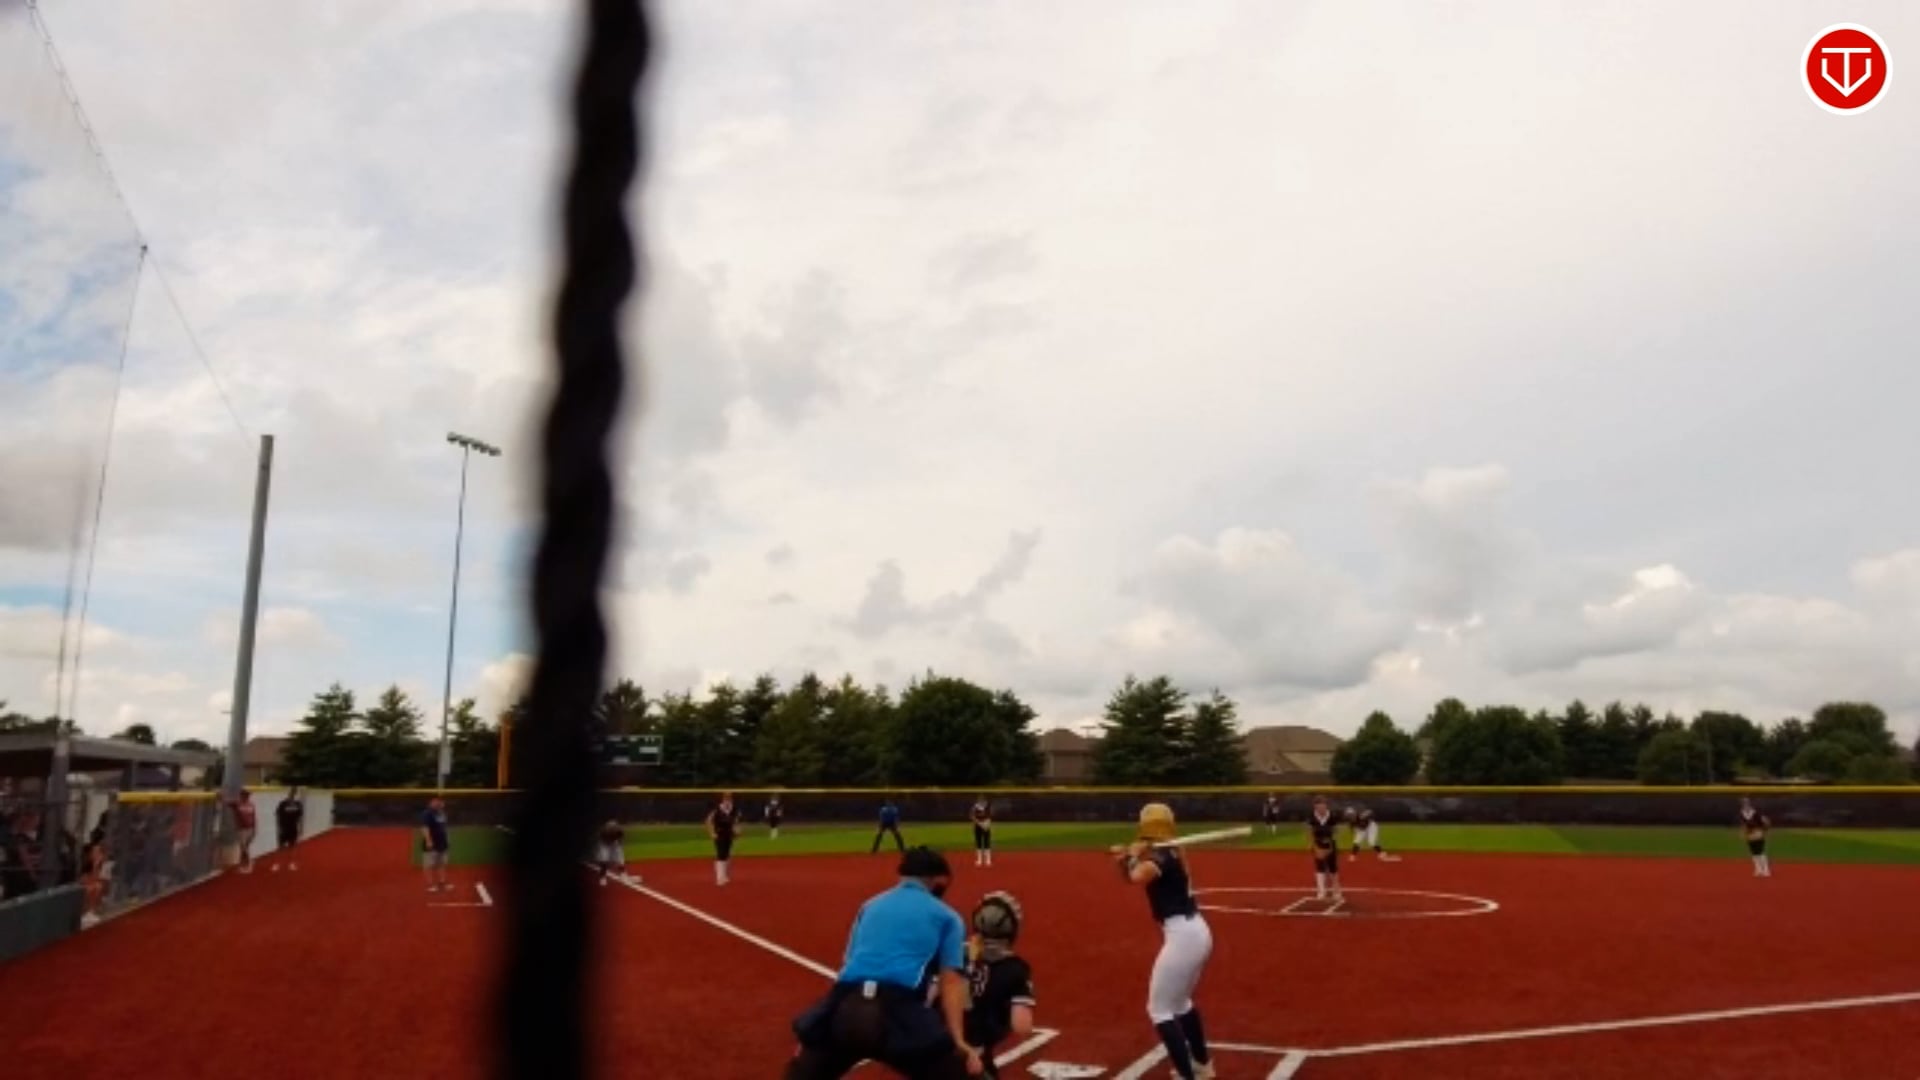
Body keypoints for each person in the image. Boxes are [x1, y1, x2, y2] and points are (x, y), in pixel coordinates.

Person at [783, 847, 980, 1079]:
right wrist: (958, 1040)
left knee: (801, 1075)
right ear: (939, 880)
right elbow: (951, 981)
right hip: (896, 1012)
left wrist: (816, 1032)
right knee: (958, 1073)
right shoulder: (947, 917)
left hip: (847, 1005)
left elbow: (848, 965)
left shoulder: (869, 905)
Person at [1110, 803, 1214, 1080]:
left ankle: (1187, 1074)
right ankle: (1202, 1065)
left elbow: (1137, 875)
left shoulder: (1163, 856)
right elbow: (1130, 875)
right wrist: (1126, 859)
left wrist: (1131, 856)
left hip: (1183, 936)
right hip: (1195, 931)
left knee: (1159, 1010)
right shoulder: (1172, 851)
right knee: (1180, 1004)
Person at [963, 891, 1035, 1079]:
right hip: (975, 1056)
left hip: (939, 1049)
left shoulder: (953, 953)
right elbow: (1022, 1025)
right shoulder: (1015, 969)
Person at [1308, 795, 1342, 902]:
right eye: (1319, 806)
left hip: (1330, 844)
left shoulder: (1332, 815)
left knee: (1333, 868)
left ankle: (1336, 890)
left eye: (1323, 806)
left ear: (1326, 806)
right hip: (1318, 844)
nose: (1321, 808)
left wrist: (1331, 844)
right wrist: (1314, 846)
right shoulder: (1312, 816)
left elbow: (1336, 830)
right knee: (1320, 867)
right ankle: (1321, 891)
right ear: (1315, 807)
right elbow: (1310, 831)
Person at [706, 791, 740, 886]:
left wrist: (737, 831)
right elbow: (708, 821)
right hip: (719, 834)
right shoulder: (717, 809)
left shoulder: (734, 809)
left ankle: (724, 875)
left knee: (727, 855)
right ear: (723, 799)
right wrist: (712, 833)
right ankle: (719, 877)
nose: (728, 800)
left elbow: (736, 822)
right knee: (721, 854)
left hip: (729, 834)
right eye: (726, 798)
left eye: (729, 798)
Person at [421, 796, 451, 893]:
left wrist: (447, 839)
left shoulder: (442, 813)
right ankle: (431, 885)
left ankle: (442, 883)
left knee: (442, 864)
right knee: (429, 865)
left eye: (440, 802)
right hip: (432, 843)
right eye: (436, 801)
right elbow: (425, 828)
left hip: (442, 843)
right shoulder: (427, 813)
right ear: (431, 802)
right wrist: (428, 841)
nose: (439, 803)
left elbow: (444, 827)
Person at [272, 787, 304, 872]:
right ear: (288, 793)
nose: (292, 794)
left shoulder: (298, 804)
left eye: (294, 793)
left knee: (292, 847)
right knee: (280, 847)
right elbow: (277, 816)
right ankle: (277, 863)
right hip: (284, 828)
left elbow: (300, 818)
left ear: (295, 794)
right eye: (291, 792)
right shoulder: (283, 804)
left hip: (293, 828)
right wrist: (279, 828)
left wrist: (300, 828)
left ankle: (291, 863)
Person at [1739, 798, 1772, 878]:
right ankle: (1758, 869)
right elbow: (1744, 824)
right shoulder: (1742, 813)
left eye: (1747, 803)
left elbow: (1764, 821)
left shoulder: (1756, 813)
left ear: (1749, 804)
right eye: (1744, 804)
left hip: (1758, 832)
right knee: (1753, 852)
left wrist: (1765, 830)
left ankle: (1766, 870)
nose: (1745, 805)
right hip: (1749, 834)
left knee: (1760, 851)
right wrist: (1743, 832)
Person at [228, 790, 258, 874]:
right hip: (241, 829)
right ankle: (249, 863)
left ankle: (241, 865)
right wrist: (220, 796)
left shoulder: (251, 804)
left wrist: (255, 828)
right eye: (245, 795)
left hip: (250, 829)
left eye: (248, 795)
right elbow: (226, 802)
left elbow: (254, 817)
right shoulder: (237, 803)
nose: (247, 796)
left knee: (244, 848)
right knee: (244, 847)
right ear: (241, 795)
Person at [596, 818, 630, 886]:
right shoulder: (605, 831)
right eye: (613, 829)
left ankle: (623, 875)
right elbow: (603, 840)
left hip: (614, 842)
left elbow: (621, 839)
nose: (615, 829)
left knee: (620, 858)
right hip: (604, 843)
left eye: (615, 828)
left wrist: (619, 845)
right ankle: (602, 877)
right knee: (604, 859)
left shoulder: (619, 830)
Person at [969, 796, 993, 868]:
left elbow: (989, 817)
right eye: (980, 801)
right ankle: (979, 860)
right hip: (978, 826)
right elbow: (972, 817)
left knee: (987, 842)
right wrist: (979, 824)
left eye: (982, 801)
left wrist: (986, 824)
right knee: (978, 843)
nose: (981, 802)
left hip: (986, 826)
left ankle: (988, 860)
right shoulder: (975, 807)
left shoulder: (987, 807)